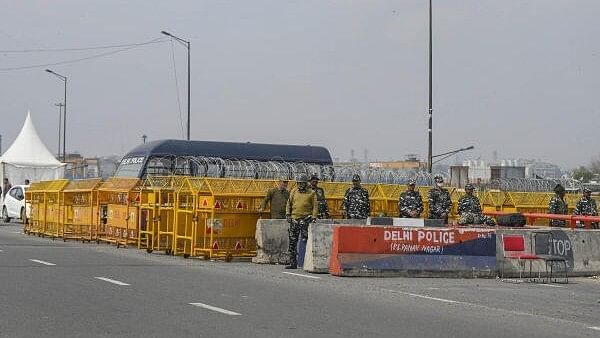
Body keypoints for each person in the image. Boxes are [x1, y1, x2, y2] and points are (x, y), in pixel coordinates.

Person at [285, 174, 318, 269]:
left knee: (305, 240)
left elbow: (315, 206)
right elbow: (289, 203)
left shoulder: (311, 193)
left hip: (305, 220)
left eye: (302, 183)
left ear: (305, 183)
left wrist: (314, 217)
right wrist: (287, 214)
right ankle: (293, 263)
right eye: (298, 183)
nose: (300, 185)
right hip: (294, 219)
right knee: (292, 241)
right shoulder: (294, 191)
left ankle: (305, 261)